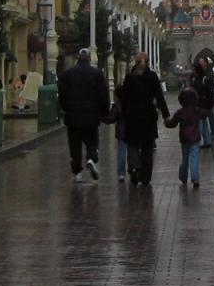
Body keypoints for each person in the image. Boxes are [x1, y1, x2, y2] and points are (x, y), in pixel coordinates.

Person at [57, 47, 109, 182]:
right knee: (92, 141)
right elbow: (103, 95)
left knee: (75, 144)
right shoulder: (97, 74)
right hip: (92, 116)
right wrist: (104, 111)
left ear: (78, 58)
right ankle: (91, 158)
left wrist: (65, 109)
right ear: (89, 59)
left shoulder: (68, 74)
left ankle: (77, 172)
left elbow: (62, 95)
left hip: (73, 117)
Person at [121, 51, 170, 186]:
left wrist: (123, 114)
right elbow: (159, 96)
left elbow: (124, 98)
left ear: (135, 62)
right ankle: (146, 176)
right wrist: (166, 115)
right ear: (147, 62)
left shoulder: (129, 77)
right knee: (147, 147)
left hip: (132, 117)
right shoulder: (152, 76)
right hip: (148, 116)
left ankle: (135, 168)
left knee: (132, 144)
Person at [164, 83, 206, 187]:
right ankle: (195, 179)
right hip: (195, 138)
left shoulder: (180, 112)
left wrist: (166, 122)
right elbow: (205, 115)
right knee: (194, 158)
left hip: (184, 139)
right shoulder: (197, 111)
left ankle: (183, 177)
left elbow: (172, 123)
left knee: (185, 158)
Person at [101, 85, 128, 181]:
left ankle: (121, 173)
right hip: (132, 130)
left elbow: (111, 118)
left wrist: (101, 118)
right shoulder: (131, 103)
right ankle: (133, 169)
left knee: (121, 152)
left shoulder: (117, 105)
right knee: (133, 151)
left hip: (121, 132)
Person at [191, 58, 214, 147]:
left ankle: (201, 140)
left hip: (204, 104)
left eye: (201, 62)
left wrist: (213, 102)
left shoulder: (206, 77)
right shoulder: (196, 78)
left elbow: (210, 90)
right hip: (201, 103)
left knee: (202, 121)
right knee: (204, 121)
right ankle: (207, 140)